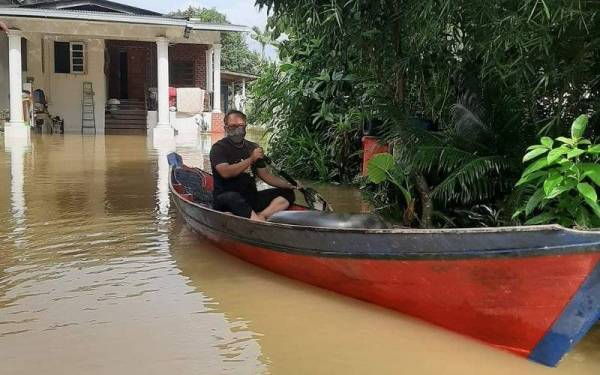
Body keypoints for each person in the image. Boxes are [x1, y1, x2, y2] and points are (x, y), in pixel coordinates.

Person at [210, 110, 297, 221]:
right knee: (232, 197)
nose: (237, 129)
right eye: (232, 126)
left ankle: (262, 215)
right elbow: (225, 172)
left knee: (288, 193)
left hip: (250, 198)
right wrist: (251, 159)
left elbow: (266, 176)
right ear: (226, 128)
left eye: (240, 125)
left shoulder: (252, 147)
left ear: (245, 126)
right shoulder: (218, 148)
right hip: (226, 200)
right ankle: (257, 223)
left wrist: (289, 184)